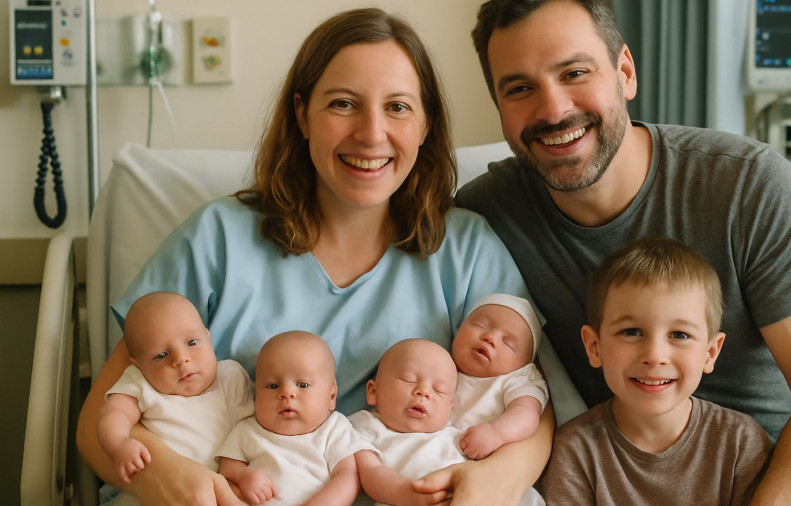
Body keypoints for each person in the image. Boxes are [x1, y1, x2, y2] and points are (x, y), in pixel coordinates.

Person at [76, 8, 553, 506]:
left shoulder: (467, 249)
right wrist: (173, 480)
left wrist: (494, 481)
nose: (371, 134)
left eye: (398, 107)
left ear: (426, 123)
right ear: (302, 114)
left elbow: (531, 400)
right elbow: (97, 423)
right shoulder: (216, 240)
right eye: (343, 104)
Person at [456, 0, 791, 503]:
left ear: (625, 72)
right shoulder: (484, 219)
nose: (554, 110)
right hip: (642, 479)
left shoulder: (744, 184)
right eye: (519, 88)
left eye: (575, 72)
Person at [541, 237, 773, 504]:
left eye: (680, 334)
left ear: (710, 353)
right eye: (631, 332)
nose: (654, 356)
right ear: (594, 347)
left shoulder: (740, 442)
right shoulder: (575, 449)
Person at [97, 291, 254, 505]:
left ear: (208, 336)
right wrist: (118, 443)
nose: (181, 359)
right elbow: (114, 412)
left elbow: (253, 430)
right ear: (138, 364)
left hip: (225, 491)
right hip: (159, 494)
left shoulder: (230, 377)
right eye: (161, 355)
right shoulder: (141, 383)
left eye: (191, 342)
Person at [350, 338, 544, 506]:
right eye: (409, 379)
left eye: (439, 390)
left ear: (450, 407)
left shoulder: (460, 436)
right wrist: (404, 492)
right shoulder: (366, 426)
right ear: (373, 392)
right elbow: (370, 472)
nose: (424, 391)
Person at [217, 331, 373, 506]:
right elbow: (227, 468)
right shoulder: (248, 429)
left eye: (303, 385)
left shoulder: (333, 428)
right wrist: (244, 476)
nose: (286, 393)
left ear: (331, 396)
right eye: (273, 386)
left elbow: (348, 478)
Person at [449, 294, 549, 460]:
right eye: (481, 325)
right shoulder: (440, 362)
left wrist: (496, 432)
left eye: (508, 343)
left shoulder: (516, 380)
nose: (491, 337)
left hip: (472, 463)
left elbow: (526, 414)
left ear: (524, 364)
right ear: (459, 328)